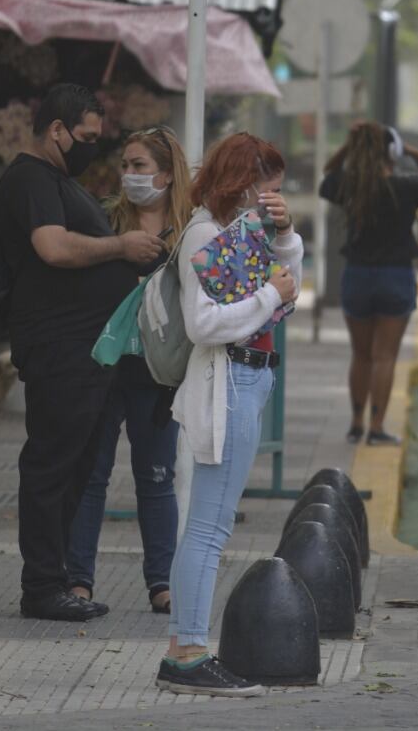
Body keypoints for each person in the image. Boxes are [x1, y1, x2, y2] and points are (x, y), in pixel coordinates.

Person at [0, 83, 165, 623]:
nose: (94, 147)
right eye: (86, 137)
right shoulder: (31, 178)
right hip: (60, 350)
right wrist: (121, 247)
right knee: (52, 466)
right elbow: (53, 247)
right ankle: (42, 586)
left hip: (86, 354)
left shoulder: (59, 180)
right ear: (57, 130)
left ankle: (60, 580)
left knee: (77, 467)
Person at [156, 133, 302, 697]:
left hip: (251, 375)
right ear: (243, 184)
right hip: (228, 379)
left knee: (211, 522)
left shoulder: (243, 231)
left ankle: (186, 648)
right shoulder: (206, 232)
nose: (274, 200)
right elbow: (203, 324)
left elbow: (289, 291)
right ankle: (187, 653)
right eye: (270, 190)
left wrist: (286, 238)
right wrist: (269, 296)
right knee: (209, 525)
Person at [66, 124, 194, 616]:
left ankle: (161, 583)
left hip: (159, 371)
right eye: (125, 166)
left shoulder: (188, 229)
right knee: (91, 472)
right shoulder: (104, 221)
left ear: (166, 173)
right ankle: (78, 580)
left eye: (139, 166)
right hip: (105, 364)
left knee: (157, 475)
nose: (129, 175)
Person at [320, 121, 418, 446]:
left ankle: (354, 424)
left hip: (358, 276)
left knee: (360, 355)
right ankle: (377, 427)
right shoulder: (408, 185)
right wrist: (415, 154)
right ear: (395, 152)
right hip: (395, 276)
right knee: (385, 356)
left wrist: (349, 147)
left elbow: (326, 176)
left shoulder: (351, 186)